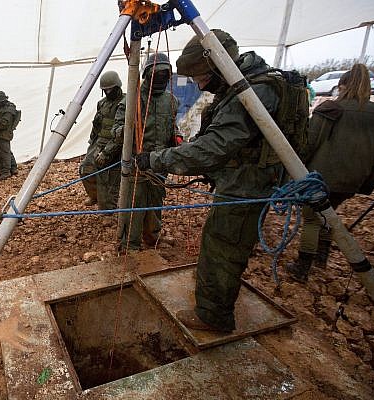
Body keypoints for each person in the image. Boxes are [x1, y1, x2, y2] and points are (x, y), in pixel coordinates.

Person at [135, 30, 284, 332]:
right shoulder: (246, 86)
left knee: (223, 248)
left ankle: (213, 316)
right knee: (219, 243)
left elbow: (214, 146)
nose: (200, 84)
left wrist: (156, 159)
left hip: (246, 188)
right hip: (240, 182)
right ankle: (213, 292)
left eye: (201, 76)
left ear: (218, 64)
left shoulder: (254, 91)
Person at [286, 64, 374, 283]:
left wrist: (294, 171)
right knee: (329, 214)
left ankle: (302, 268)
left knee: (312, 218)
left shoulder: (331, 108)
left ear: (342, 85)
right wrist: (369, 182)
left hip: (322, 178)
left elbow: (309, 143)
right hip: (354, 179)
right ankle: (322, 259)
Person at [111, 52, 178, 250]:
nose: (161, 79)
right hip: (136, 164)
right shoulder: (131, 100)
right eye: (157, 75)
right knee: (134, 204)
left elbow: (172, 126)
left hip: (159, 163)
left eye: (164, 76)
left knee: (156, 201)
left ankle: (152, 236)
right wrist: (129, 128)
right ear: (147, 74)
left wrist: (177, 138)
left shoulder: (171, 100)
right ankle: (129, 245)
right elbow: (116, 132)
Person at [79, 70, 125, 209]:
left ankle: (107, 209)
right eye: (105, 90)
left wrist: (106, 153)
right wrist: (91, 144)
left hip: (117, 145)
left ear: (117, 87)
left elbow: (122, 133)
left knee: (108, 178)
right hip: (99, 142)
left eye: (110, 89)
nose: (107, 92)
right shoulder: (102, 104)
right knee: (85, 169)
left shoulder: (125, 103)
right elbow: (96, 125)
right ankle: (95, 196)